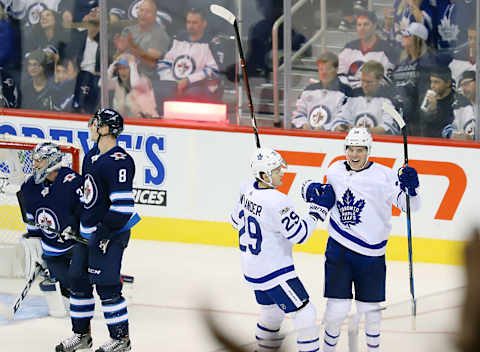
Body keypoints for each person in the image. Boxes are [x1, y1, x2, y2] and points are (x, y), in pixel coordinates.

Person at [302, 127, 421, 351]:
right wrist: (309, 190)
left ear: (369, 151)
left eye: (360, 150)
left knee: (371, 312)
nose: (354, 155)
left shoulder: (384, 176)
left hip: (371, 256)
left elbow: (410, 207)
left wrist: (412, 189)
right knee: (336, 310)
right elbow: (320, 194)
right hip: (339, 249)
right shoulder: (334, 170)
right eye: (350, 149)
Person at [230, 148, 334, 352]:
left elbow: (234, 221)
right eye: (277, 170)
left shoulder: (245, 188)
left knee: (272, 314)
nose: (282, 173)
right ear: (263, 175)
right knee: (305, 314)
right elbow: (300, 235)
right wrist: (317, 211)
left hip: (253, 269)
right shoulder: (278, 201)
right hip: (274, 271)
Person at [56, 108, 140, 352]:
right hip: (87, 233)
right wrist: (75, 223)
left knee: (107, 284)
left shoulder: (120, 162)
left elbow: (122, 208)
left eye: (95, 123)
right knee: (77, 280)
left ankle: (120, 339)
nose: (91, 126)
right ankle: (82, 335)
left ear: (104, 129)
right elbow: (89, 197)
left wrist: (101, 235)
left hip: (109, 235)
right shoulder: (91, 156)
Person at [20, 142, 82, 317]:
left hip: (77, 244)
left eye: (40, 160)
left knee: (87, 279)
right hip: (53, 249)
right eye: (35, 160)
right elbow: (32, 223)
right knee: (66, 282)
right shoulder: (29, 187)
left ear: (52, 160)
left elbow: (88, 212)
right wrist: (35, 245)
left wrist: (77, 229)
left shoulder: (73, 182)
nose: (35, 164)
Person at [155, 8, 221, 115]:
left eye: (195, 22)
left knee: (192, 94)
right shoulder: (178, 40)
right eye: (188, 22)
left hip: (197, 86)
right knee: (156, 88)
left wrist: (189, 80)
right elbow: (164, 63)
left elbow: (213, 70)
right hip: (174, 83)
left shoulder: (210, 44)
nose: (191, 26)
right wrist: (173, 80)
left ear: (203, 24)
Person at [389, 22, 442, 136]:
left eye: (408, 35)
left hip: (417, 122)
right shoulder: (402, 62)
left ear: (418, 39)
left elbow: (427, 91)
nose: (403, 37)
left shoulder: (428, 62)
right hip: (397, 116)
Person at [332, 60, 401, 135]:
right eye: (363, 81)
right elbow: (339, 119)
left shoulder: (389, 99)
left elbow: (390, 128)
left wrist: (360, 131)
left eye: (369, 82)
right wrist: (341, 127)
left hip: (379, 144)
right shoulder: (354, 96)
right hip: (354, 142)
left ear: (380, 80)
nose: (364, 85)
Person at [291, 51, 352, 130]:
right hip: (308, 137)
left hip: (332, 139)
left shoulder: (346, 92)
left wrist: (325, 128)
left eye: (327, 69)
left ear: (336, 69)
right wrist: (303, 124)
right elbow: (298, 114)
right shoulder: (308, 90)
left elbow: (344, 119)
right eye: (321, 69)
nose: (324, 72)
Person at [337, 10, 399, 88]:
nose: (362, 28)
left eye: (366, 24)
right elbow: (339, 74)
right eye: (359, 25)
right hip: (349, 94)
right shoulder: (349, 48)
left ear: (374, 26)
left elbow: (385, 81)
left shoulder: (387, 50)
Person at [115, 0, 170, 80]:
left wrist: (131, 47)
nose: (143, 14)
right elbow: (117, 58)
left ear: (154, 16)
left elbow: (151, 62)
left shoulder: (160, 34)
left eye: (148, 12)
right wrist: (120, 50)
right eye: (141, 10)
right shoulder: (128, 30)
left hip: (146, 80)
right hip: (124, 77)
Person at [419, 66, 474, 138]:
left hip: (448, 145)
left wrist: (434, 111)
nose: (432, 86)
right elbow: (420, 126)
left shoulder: (459, 101)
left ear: (448, 83)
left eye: (436, 82)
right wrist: (429, 112)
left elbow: (448, 127)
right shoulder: (427, 99)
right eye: (431, 82)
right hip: (425, 144)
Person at [442, 70, 476, 140]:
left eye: (466, 84)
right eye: (462, 85)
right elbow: (446, 129)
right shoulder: (461, 108)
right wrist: (451, 134)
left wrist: (472, 137)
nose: (464, 88)